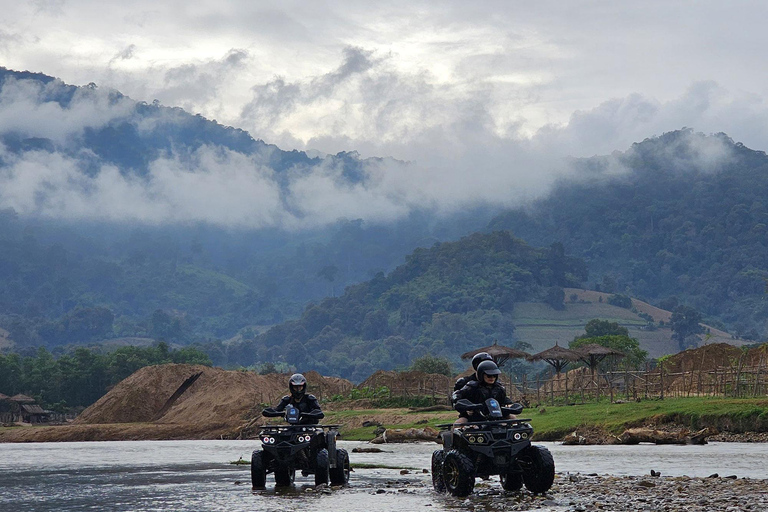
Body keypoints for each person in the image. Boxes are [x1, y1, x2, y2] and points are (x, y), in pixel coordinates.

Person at [452, 360, 516, 426]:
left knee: (513, 418)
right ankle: (451, 435)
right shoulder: (472, 386)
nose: (492, 378)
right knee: (458, 424)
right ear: (481, 375)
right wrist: (465, 407)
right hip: (473, 416)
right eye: (489, 375)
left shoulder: (499, 388)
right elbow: (456, 395)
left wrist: (509, 405)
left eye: (494, 375)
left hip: (497, 416)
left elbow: (504, 399)